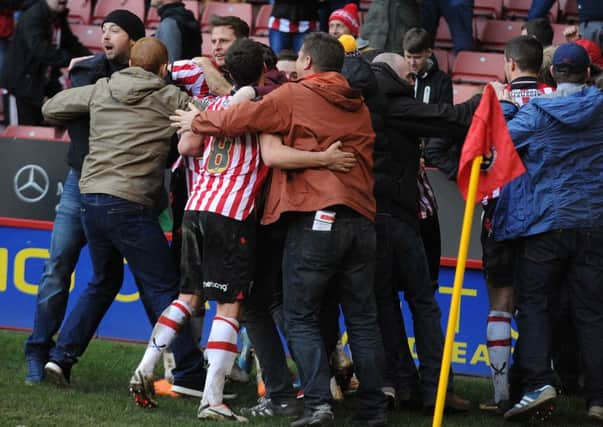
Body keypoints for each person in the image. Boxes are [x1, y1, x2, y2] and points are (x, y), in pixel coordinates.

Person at [172, 32, 389, 427]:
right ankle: (374, 409)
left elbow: (240, 117)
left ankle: (316, 405)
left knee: (298, 314)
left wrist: (196, 119)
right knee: (362, 318)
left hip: (316, 217)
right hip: (362, 220)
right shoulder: (358, 104)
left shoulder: (294, 95)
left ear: (306, 62)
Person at [39, 37, 205, 395]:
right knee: (164, 287)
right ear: (164, 70)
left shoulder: (103, 88)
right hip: (129, 204)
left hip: (91, 200)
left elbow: (51, 109)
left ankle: (61, 357)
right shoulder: (171, 97)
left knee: (103, 281)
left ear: (130, 62)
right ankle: (191, 372)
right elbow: (208, 119)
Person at [23, 10, 146, 385]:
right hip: (81, 182)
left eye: (116, 30)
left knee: (110, 277)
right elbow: (77, 125)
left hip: (125, 186)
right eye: (104, 29)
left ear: (135, 39)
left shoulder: (152, 75)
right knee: (57, 267)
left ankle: (63, 358)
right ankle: (38, 351)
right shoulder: (86, 70)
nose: (106, 35)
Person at [492, 42, 603, 423]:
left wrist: (504, 106)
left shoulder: (536, 111)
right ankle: (597, 398)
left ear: (551, 74)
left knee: (535, 305)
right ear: (588, 73)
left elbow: (499, 141)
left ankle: (539, 382)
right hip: (594, 225)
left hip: (545, 225)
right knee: (592, 312)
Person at [369, 52, 475, 414]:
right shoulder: (395, 103)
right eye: (408, 77)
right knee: (423, 304)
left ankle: (403, 384)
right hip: (399, 217)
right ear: (397, 77)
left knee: (385, 305)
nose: (413, 82)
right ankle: (434, 388)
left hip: (370, 218)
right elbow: (451, 119)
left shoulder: (362, 99)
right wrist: (487, 97)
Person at [478, 34, 553, 415]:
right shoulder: (557, 99)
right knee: (538, 305)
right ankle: (538, 385)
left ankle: (501, 394)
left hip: (501, 214)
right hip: (546, 218)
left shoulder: (494, 101)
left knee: (501, 305)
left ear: (509, 63)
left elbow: (476, 151)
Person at [1, 0, 90, 125]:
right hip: (19, 87)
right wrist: (73, 60)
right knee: (19, 135)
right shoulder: (34, 16)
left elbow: (71, 44)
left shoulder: (57, 16)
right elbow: (42, 50)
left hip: (39, 84)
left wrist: (92, 59)